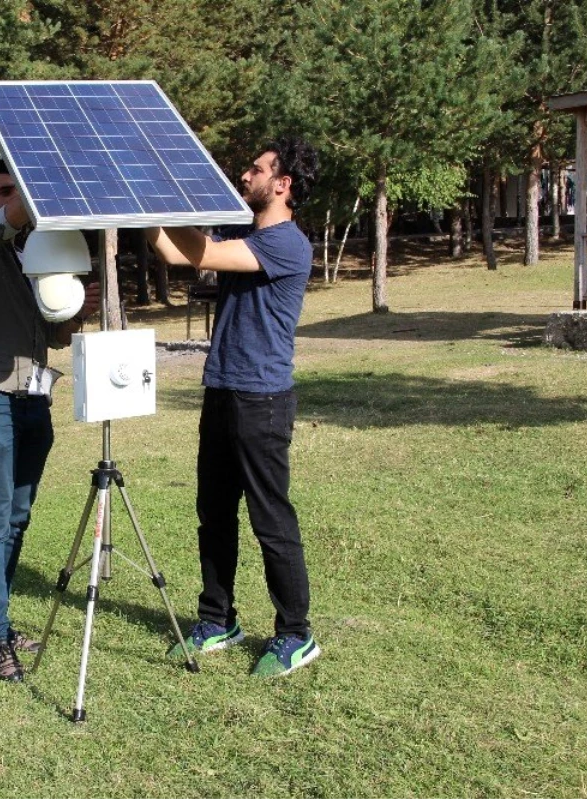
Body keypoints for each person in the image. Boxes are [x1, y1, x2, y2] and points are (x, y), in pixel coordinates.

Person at [147, 136, 321, 678]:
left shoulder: (287, 244)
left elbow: (202, 252)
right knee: (214, 514)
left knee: (271, 519)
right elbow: (176, 251)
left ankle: (296, 633)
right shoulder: (243, 233)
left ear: (282, 184)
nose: (244, 176)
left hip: (262, 399)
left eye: (256, 169)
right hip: (222, 390)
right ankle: (217, 619)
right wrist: (140, 204)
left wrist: (154, 198)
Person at [0, 158, 100, 682]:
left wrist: (74, 311)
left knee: (16, 520)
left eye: (18, 189)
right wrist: (40, 185)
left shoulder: (37, 256)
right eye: (4, 190)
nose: (16, 197)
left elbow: (54, 336)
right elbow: (12, 217)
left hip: (34, 402)